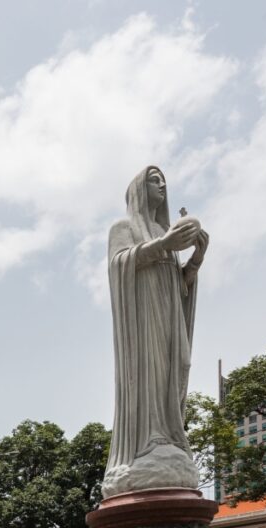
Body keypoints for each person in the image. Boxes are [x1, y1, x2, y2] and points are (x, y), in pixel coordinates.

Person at [103, 166, 208, 498]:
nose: (162, 184)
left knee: (176, 367)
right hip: (142, 319)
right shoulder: (124, 228)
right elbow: (119, 265)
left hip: (169, 316)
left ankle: (170, 435)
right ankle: (149, 439)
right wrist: (163, 244)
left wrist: (194, 260)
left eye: (163, 179)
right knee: (150, 372)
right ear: (138, 188)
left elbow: (182, 288)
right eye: (154, 179)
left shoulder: (165, 231)